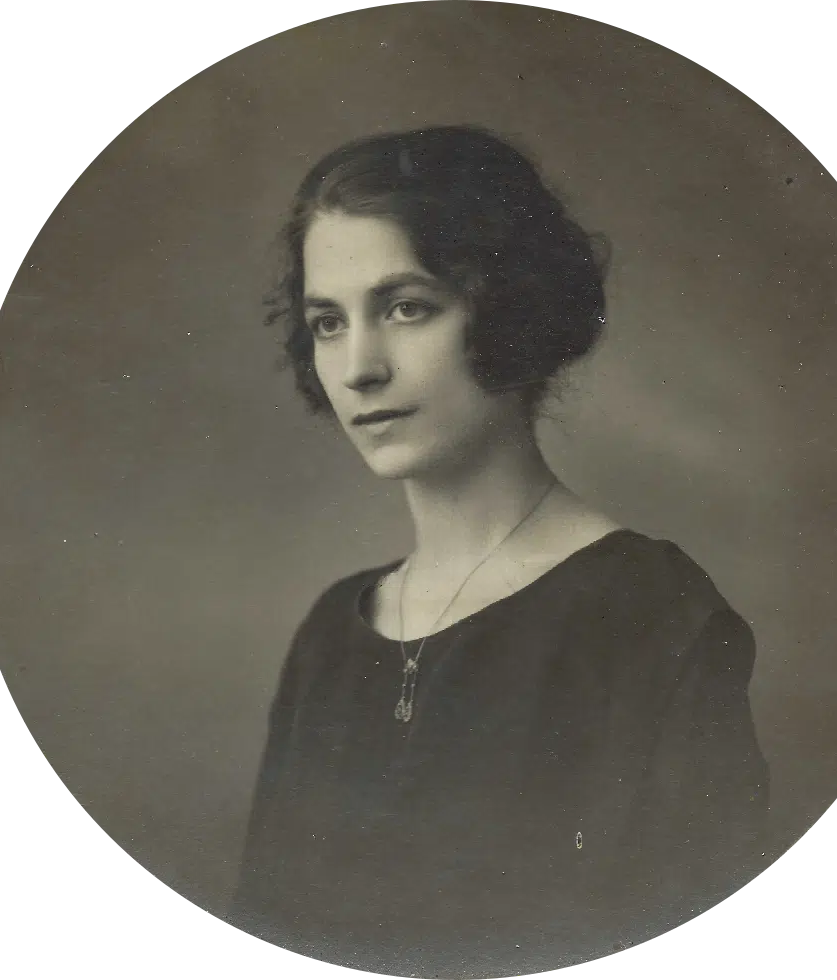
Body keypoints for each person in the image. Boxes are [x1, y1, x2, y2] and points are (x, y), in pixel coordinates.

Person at [230, 125, 769, 975]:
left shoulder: (647, 612)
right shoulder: (333, 631)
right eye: (328, 323)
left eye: (406, 307)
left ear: (512, 310)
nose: (359, 367)